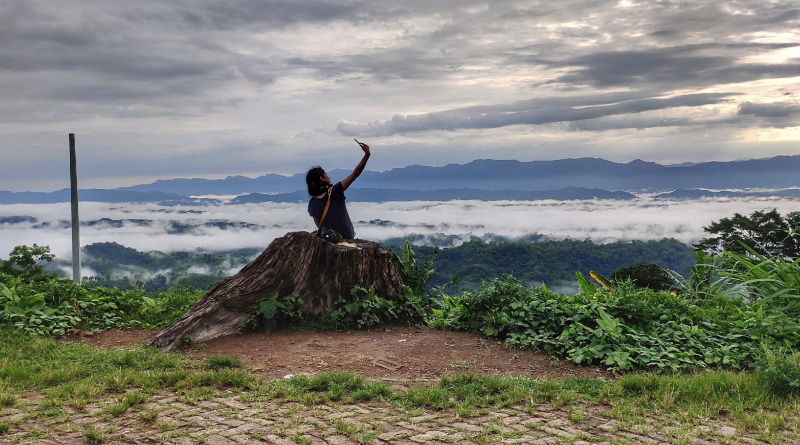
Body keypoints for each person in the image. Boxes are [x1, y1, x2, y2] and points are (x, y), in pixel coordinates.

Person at [306, 140, 370, 240]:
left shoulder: (312, 203)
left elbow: (319, 225)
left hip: (328, 242)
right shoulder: (335, 191)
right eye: (326, 174)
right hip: (347, 239)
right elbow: (356, 173)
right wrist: (367, 154)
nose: (329, 177)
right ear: (322, 179)